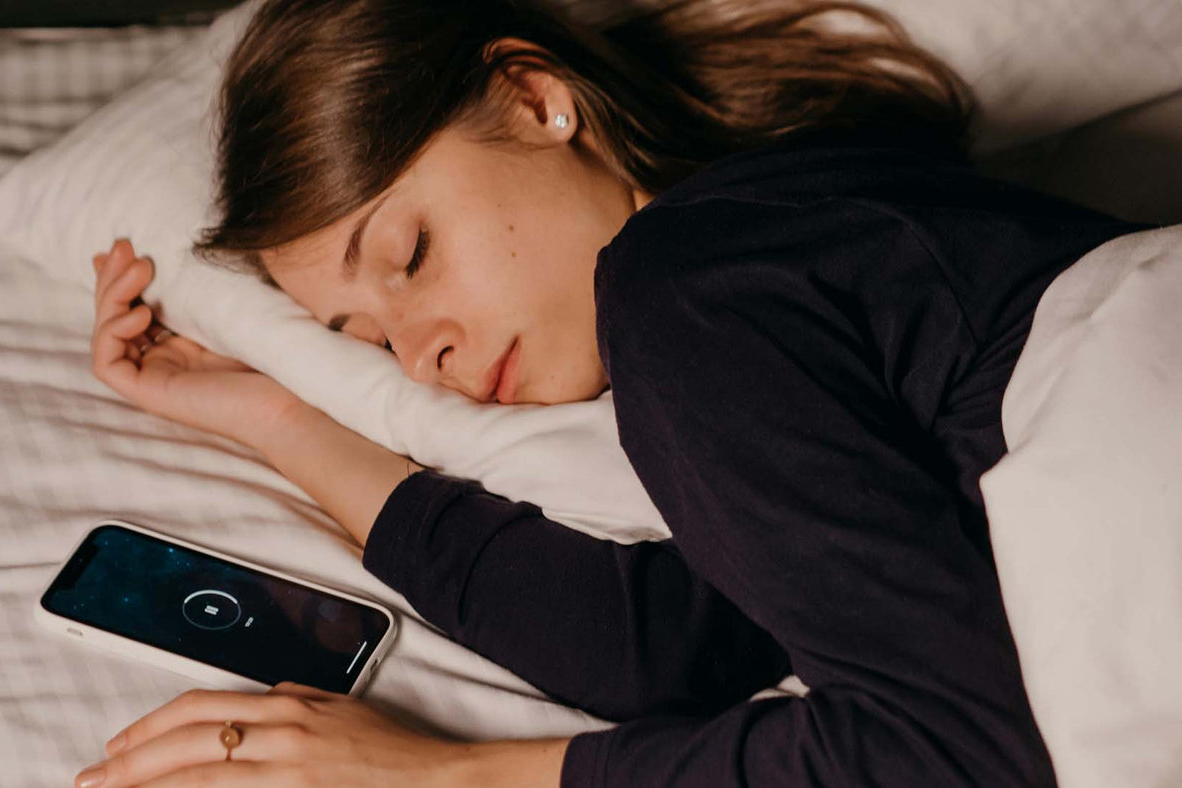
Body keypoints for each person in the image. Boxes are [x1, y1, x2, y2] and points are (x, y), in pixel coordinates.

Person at [74, 1, 1152, 787]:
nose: (415, 357)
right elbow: (671, 643)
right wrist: (272, 414)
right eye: (355, 336)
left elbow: (950, 750)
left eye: (407, 255)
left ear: (536, 98)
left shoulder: (683, 278)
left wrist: (443, 777)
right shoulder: (784, 244)